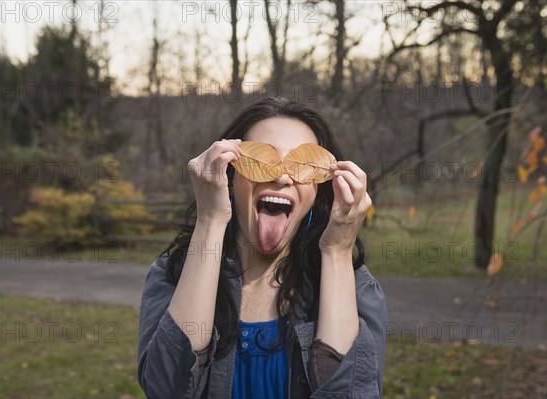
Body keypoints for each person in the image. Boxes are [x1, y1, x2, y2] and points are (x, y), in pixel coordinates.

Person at [137, 97, 388, 398]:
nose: (282, 176)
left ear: (319, 186)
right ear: (229, 176)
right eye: (262, 161)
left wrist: (337, 252)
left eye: (302, 164)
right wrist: (211, 220)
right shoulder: (174, 275)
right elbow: (165, 389)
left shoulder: (355, 287)